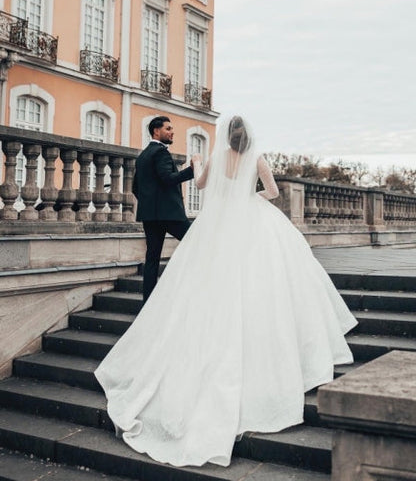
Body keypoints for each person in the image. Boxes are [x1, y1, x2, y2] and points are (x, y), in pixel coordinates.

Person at [95, 115, 358, 468]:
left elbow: (201, 185)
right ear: (249, 139)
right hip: (249, 220)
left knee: (207, 278)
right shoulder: (258, 159)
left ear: (227, 139)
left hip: (218, 225)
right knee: (263, 280)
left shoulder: (218, 158)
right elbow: (275, 192)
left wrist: (200, 165)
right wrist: (249, 198)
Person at [132, 116, 195, 302]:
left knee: (152, 259)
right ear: (156, 131)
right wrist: (191, 170)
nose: (172, 131)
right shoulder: (161, 153)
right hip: (170, 214)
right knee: (197, 240)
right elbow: (168, 178)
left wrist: (151, 204)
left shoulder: (143, 156)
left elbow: (136, 188)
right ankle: (187, 287)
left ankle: (148, 303)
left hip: (150, 216)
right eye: (168, 129)